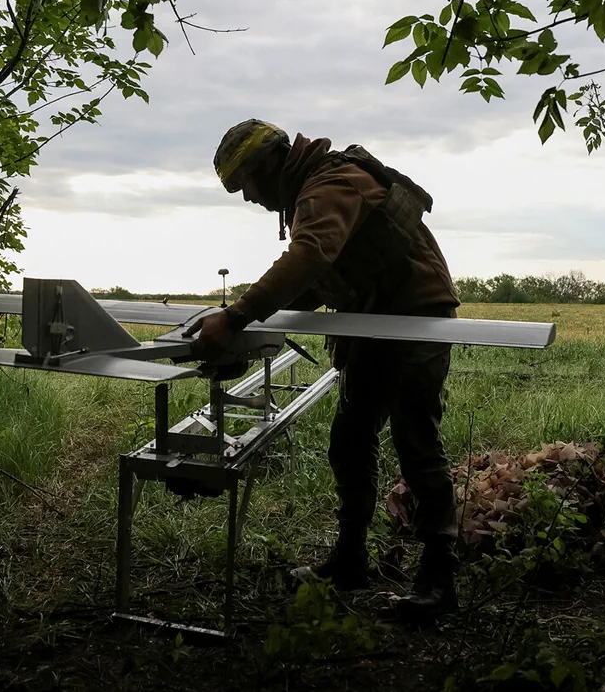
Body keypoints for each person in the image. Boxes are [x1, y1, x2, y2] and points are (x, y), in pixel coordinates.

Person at [187, 119, 462, 618]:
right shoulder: (313, 189)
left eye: (245, 183)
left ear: (270, 165)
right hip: (372, 319)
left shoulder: (331, 184)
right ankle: (350, 560)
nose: (248, 197)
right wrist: (251, 321)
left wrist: (236, 316)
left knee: (416, 440)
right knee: (350, 438)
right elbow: (317, 280)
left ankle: (439, 576)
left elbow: (310, 256)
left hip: (416, 316)